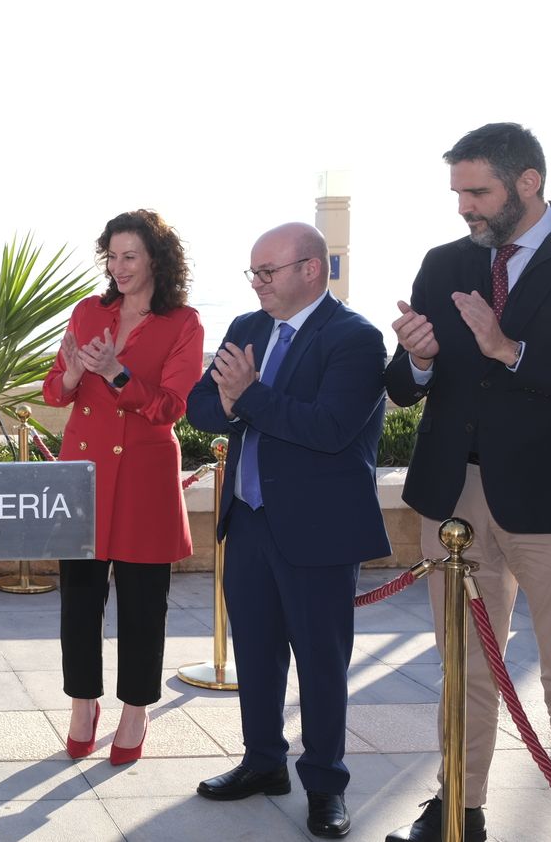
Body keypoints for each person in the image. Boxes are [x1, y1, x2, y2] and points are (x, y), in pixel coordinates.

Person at [383, 122, 551, 842]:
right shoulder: (444, 262)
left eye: (478, 191)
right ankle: (459, 805)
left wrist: (509, 350)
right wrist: (419, 360)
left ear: (529, 183)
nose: (465, 206)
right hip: (453, 496)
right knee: (463, 667)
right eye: (458, 191)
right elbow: (402, 386)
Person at [186, 222, 388, 839]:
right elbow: (198, 407)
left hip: (317, 530)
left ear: (312, 268)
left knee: (321, 662)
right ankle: (263, 762)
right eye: (252, 272)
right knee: (256, 653)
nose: (256, 283)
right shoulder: (247, 328)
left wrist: (245, 396)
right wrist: (227, 399)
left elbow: (328, 428)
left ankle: (325, 786)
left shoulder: (355, 338)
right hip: (247, 521)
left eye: (267, 272)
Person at [43, 210, 204, 766]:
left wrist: (115, 371)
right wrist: (68, 374)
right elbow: (56, 390)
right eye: (111, 256)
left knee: (142, 605)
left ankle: (135, 711)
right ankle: (82, 703)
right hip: (83, 473)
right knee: (78, 601)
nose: (118, 266)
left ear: (156, 259)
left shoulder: (184, 323)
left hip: (143, 480)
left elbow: (170, 408)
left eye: (129, 255)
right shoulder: (89, 310)